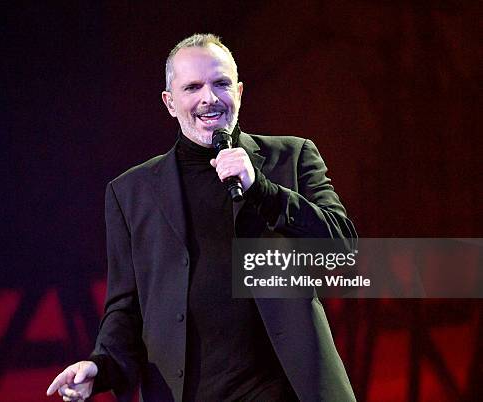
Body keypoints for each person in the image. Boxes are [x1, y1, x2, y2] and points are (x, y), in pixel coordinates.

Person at [47, 33, 357, 402]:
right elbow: (126, 309)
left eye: (221, 83)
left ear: (239, 92)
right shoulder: (131, 193)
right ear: (170, 102)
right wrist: (101, 366)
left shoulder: (291, 158)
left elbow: (342, 248)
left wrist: (263, 190)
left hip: (290, 392)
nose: (209, 98)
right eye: (192, 87)